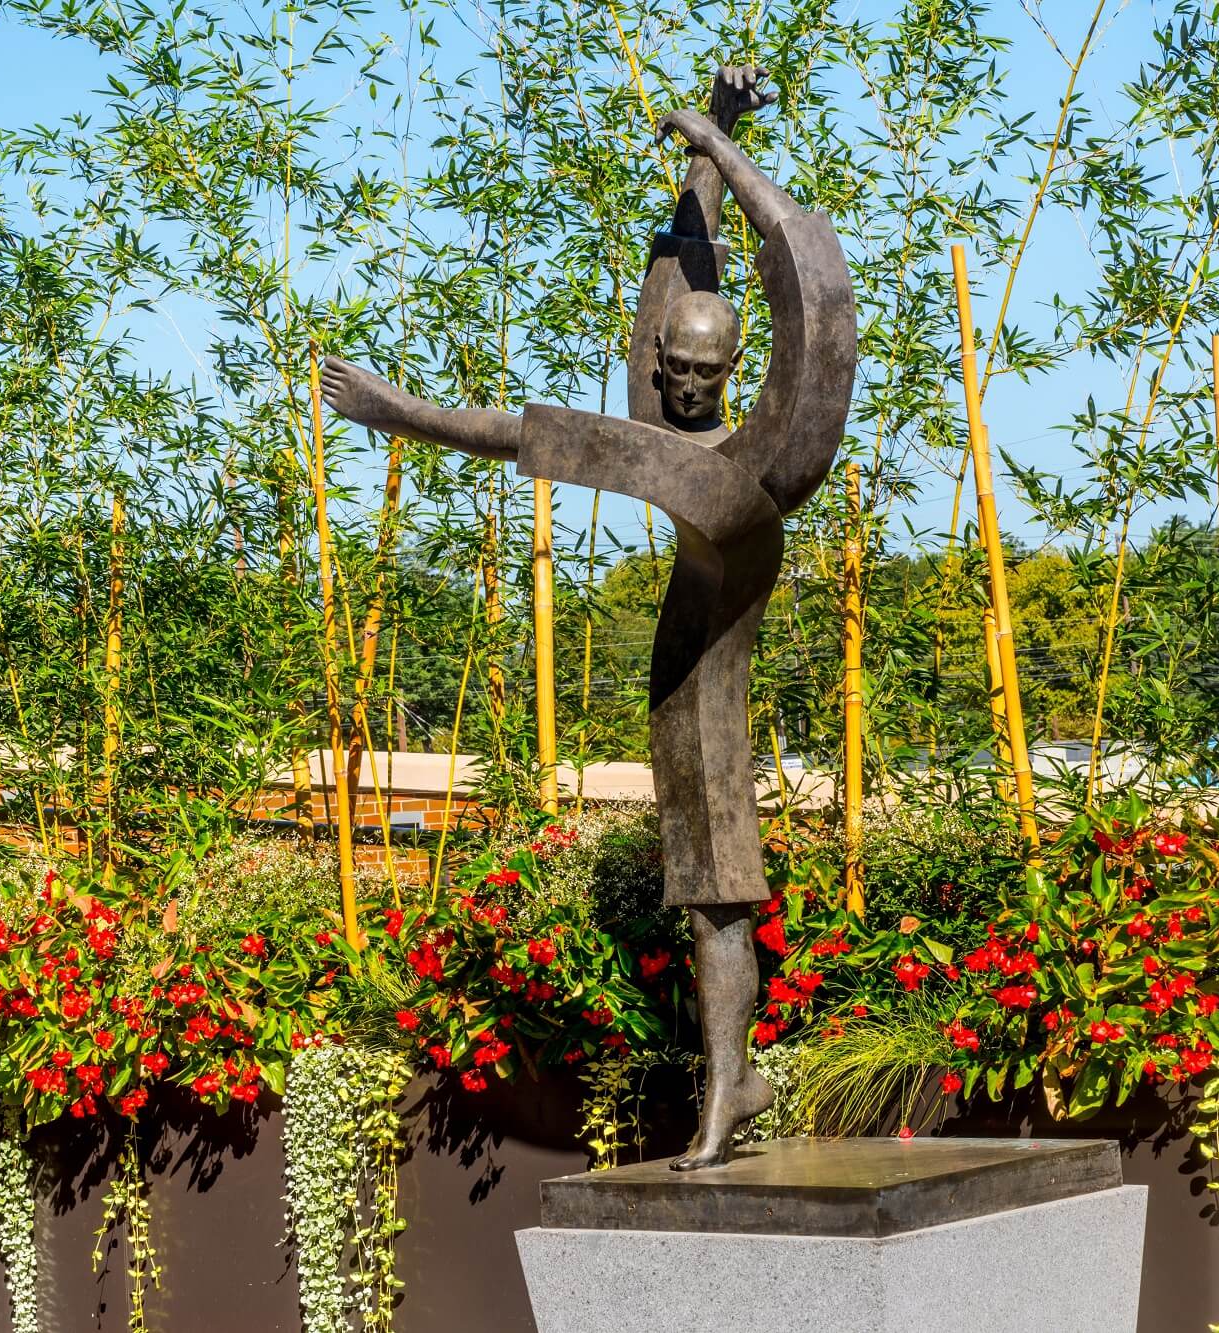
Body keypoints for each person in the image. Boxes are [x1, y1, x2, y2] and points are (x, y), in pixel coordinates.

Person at [319, 65, 855, 1168]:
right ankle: (733, 1075)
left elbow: (805, 277)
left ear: (733, 366)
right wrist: (709, 151)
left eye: (709, 367)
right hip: (678, 669)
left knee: (719, 897)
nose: (687, 379)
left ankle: (726, 1095)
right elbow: (666, 296)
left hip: (708, 689)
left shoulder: (727, 473)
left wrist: (393, 411)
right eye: (675, 365)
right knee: (706, 892)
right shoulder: (672, 436)